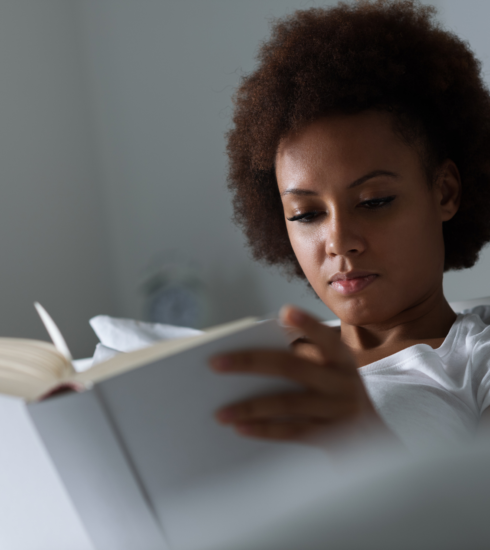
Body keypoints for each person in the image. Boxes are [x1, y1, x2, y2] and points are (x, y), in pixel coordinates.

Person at [209, 0, 490, 452]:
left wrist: (363, 435)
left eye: (374, 201)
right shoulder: (261, 355)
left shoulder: (475, 365)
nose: (339, 242)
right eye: (306, 214)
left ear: (445, 193)